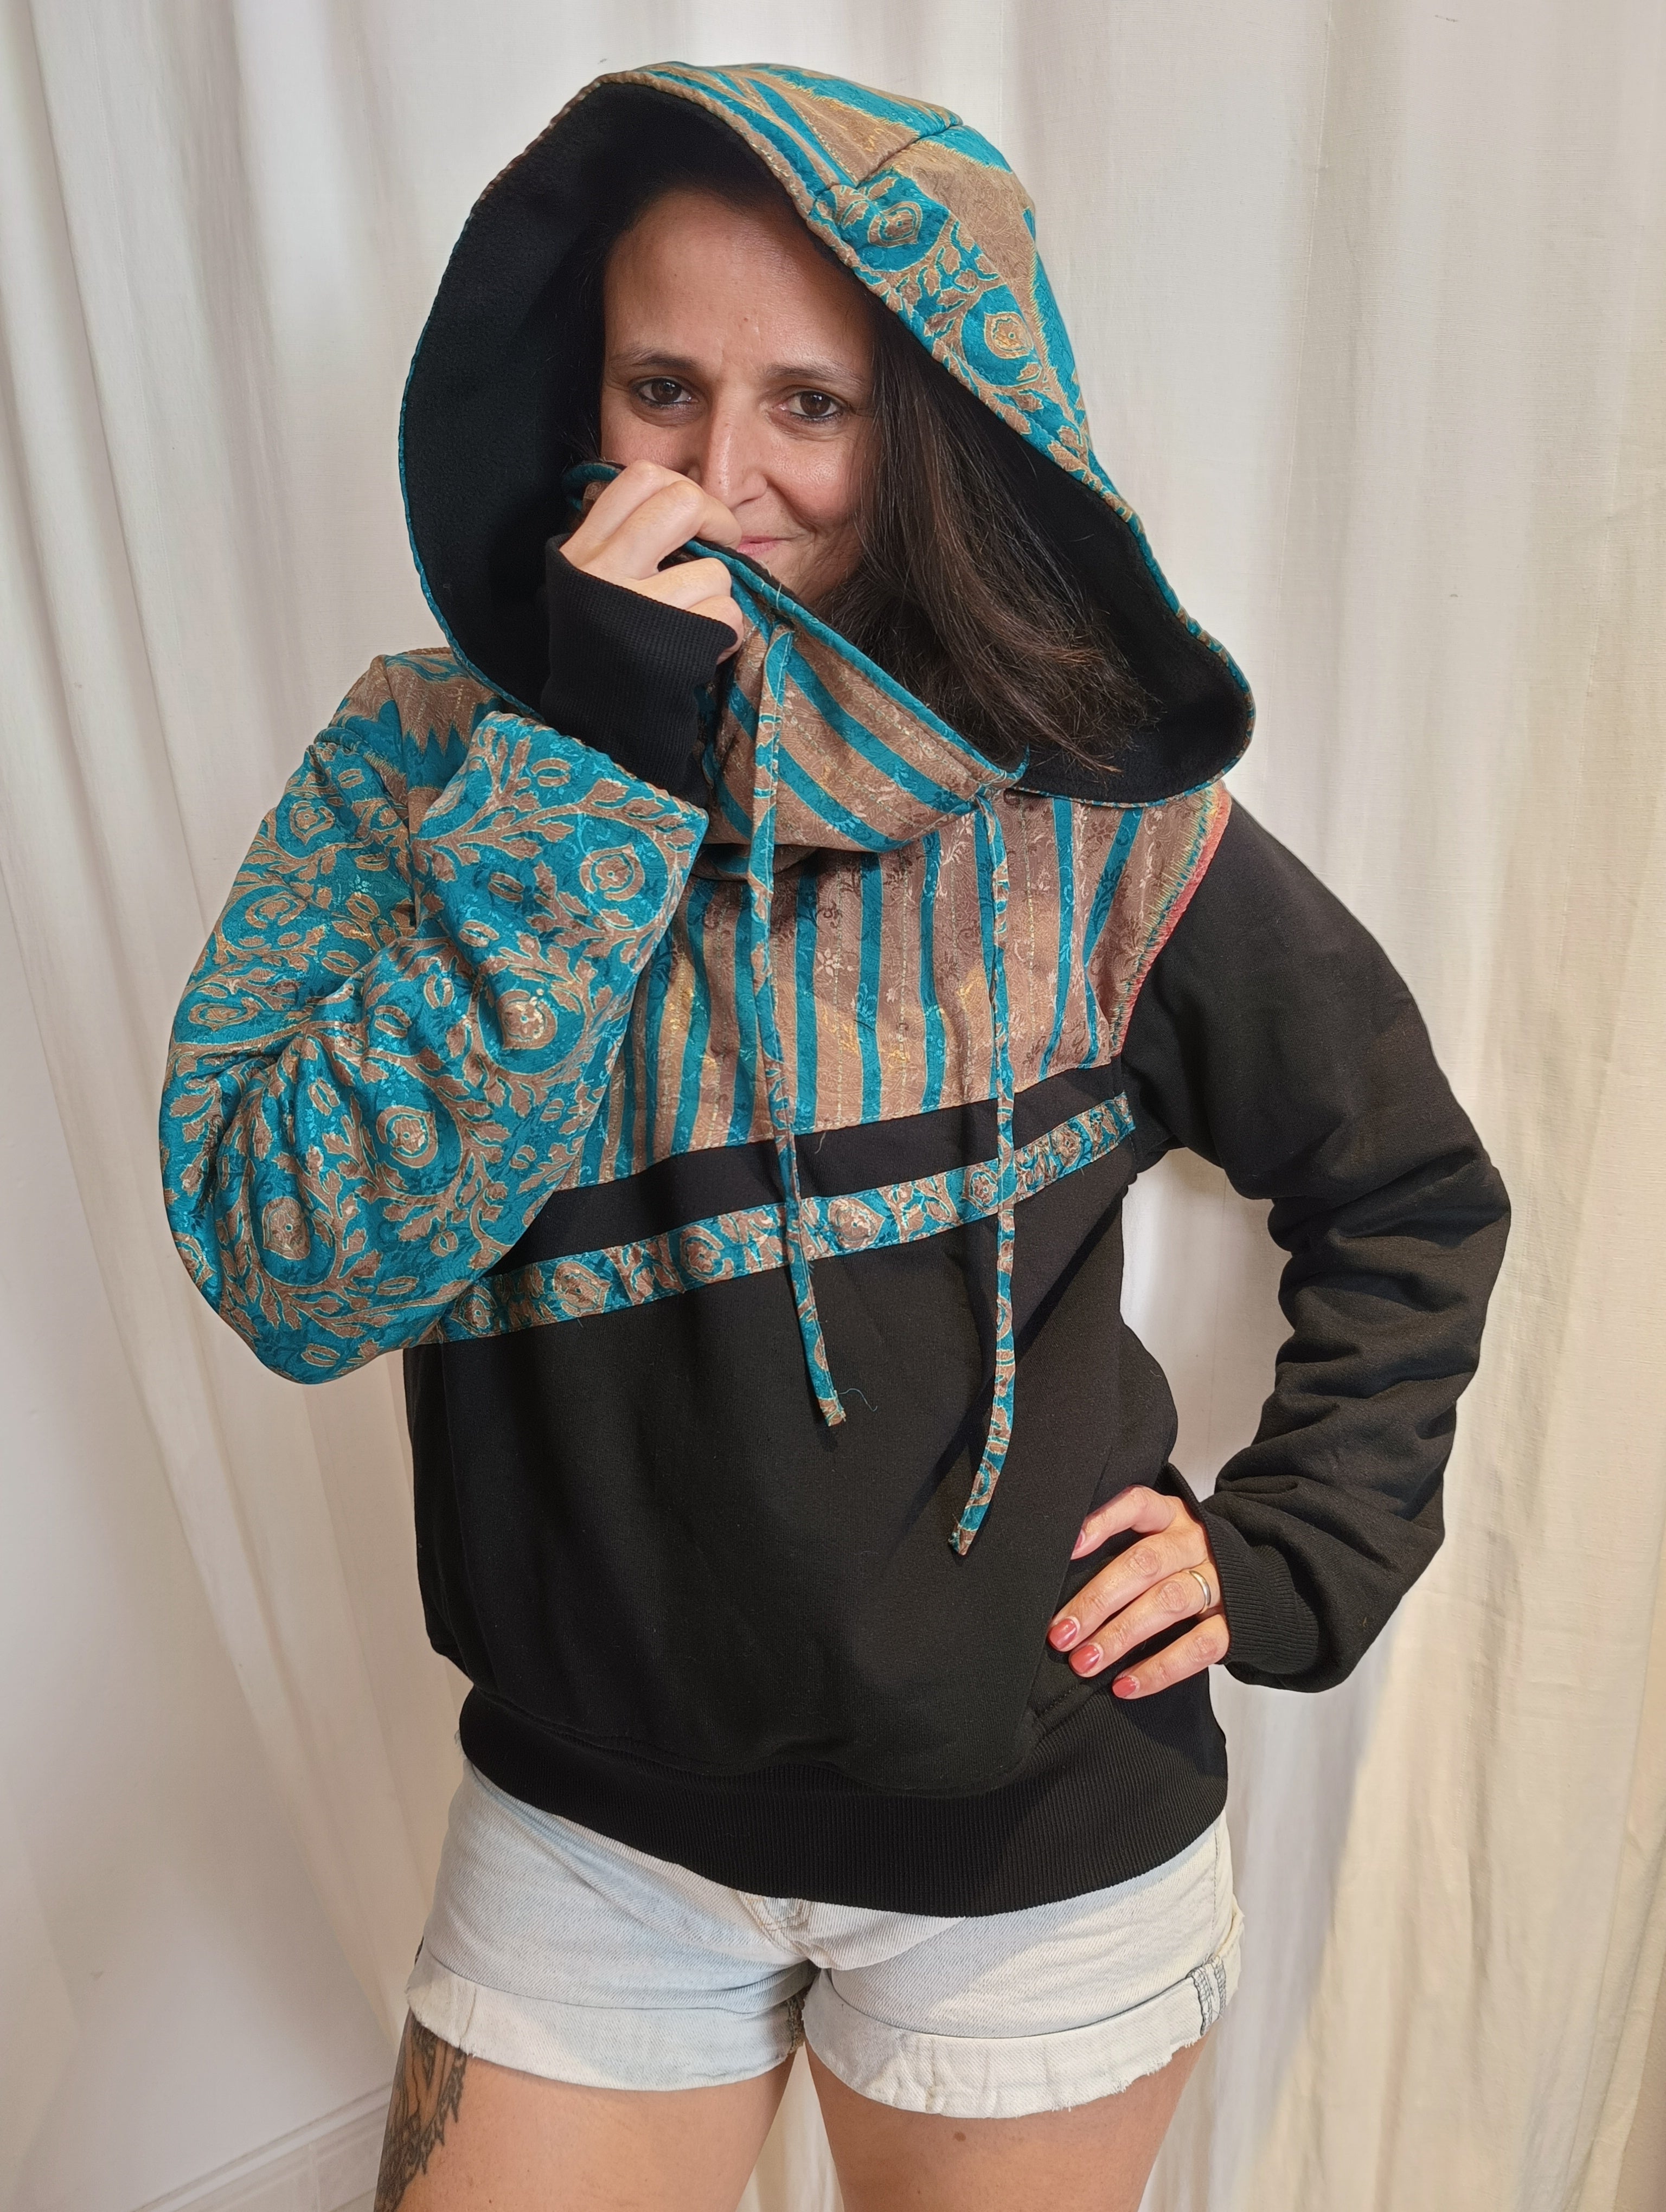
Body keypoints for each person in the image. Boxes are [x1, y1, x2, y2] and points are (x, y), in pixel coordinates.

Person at [159, 62, 1509, 2212]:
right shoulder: (425, 767)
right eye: (663, 390)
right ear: (578, 400)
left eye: (812, 404)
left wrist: (1297, 1547)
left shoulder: (1086, 808)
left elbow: (1408, 1189)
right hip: (584, 1846)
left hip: (1040, 1850)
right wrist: (596, 776)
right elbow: (294, 1265)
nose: (726, 475)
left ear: (932, 429)